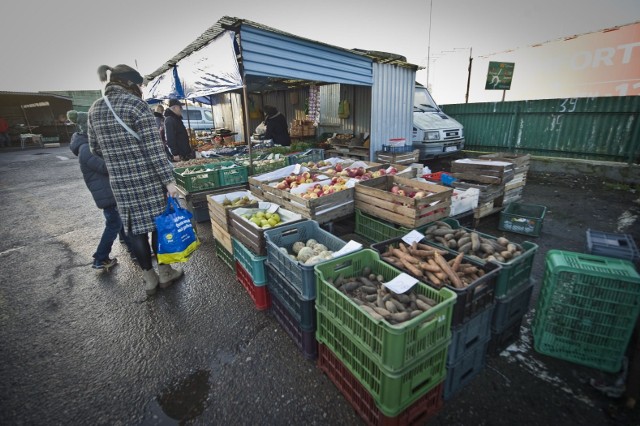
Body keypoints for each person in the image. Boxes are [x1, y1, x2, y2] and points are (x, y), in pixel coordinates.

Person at [87, 63, 183, 296]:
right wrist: (169, 182)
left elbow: (94, 148)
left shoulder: (95, 109)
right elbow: (154, 150)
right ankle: (165, 272)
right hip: (148, 180)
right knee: (158, 226)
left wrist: (118, 160)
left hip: (121, 183)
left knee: (135, 230)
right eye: (139, 84)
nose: (141, 89)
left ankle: (149, 279)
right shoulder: (136, 105)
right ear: (129, 83)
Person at [68, 110, 131, 270]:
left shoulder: (86, 145)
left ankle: (134, 249)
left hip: (107, 192)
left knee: (119, 221)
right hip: (106, 193)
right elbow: (105, 167)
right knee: (114, 223)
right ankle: (100, 257)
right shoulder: (86, 148)